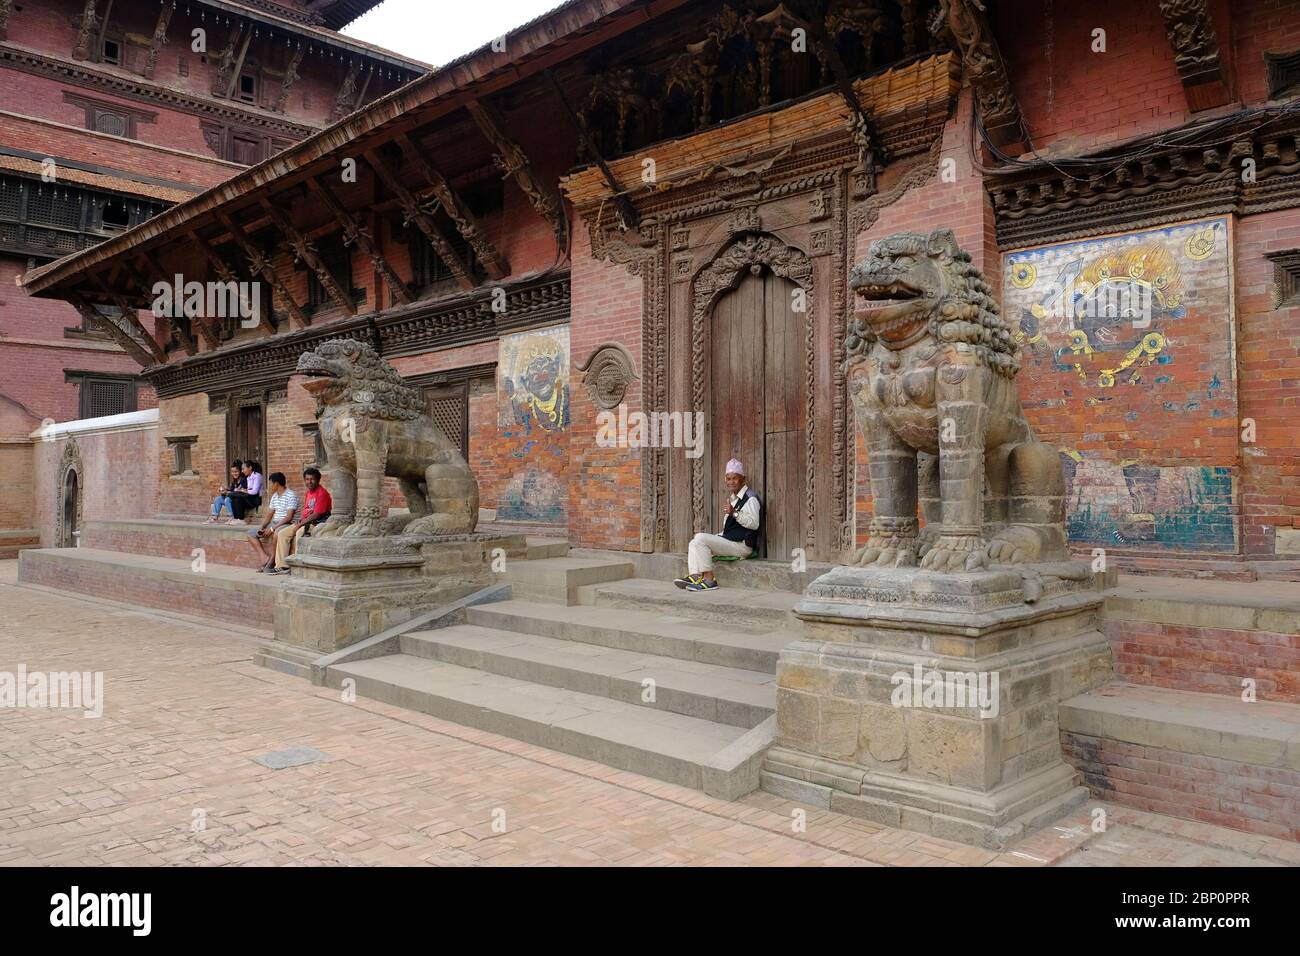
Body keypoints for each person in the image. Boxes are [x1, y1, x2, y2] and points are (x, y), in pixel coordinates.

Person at [674, 458, 761, 592]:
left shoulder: (751, 498)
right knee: (694, 542)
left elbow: (754, 524)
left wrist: (735, 513)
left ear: (743, 479)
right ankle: (695, 576)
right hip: (731, 541)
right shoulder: (733, 498)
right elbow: (730, 529)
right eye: (728, 478)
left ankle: (709, 580)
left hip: (742, 546)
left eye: (734, 478)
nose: (731, 482)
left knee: (700, 538)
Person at [270, 467, 332, 575]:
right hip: (305, 521)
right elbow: (307, 511)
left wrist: (300, 525)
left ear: (318, 480)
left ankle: (297, 565)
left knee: (299, 533)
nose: (309, 482)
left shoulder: (322, 493)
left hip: (317, 523)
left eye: (312, 479)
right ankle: (282, 566)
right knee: (282, 533)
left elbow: (316, 514)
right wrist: (299, 522)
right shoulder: (309, 493)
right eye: (307, 479)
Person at [247, 472, 298, 572]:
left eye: (271, 483)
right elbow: (269, 515)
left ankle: (272, 560)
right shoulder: (275, 496)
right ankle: (264, 558)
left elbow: (289, 517)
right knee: (251, 534)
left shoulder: (291, 495)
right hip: (275, 522)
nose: (270, 486)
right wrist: (262, 527)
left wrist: (271, 529)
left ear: (276, 484)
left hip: (286, 523)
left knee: (276, 534)